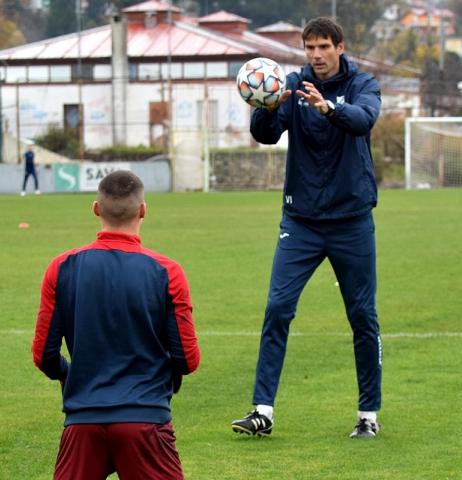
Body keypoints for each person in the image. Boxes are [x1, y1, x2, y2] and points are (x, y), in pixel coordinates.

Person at [230, 16, 383, 439]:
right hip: (301, 222)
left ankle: (368, 414)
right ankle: (262, 411)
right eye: (309, 47)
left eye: (323, 47)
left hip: (351, 220)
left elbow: (363, 120)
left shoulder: (362, 84)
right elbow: (266, 135)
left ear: (339, 46)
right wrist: (265, 107)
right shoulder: (292, 84)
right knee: (278, 309)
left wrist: (328, 107)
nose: (316, 55)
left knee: (362, 316)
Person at [32, 170, 200, 479]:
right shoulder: (168, 272)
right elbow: (187, 360)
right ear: (144, 211)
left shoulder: (61, 267)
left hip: (82, 421)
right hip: (146, 420)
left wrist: (68, 374)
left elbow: (43, 355)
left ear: (96, 209)